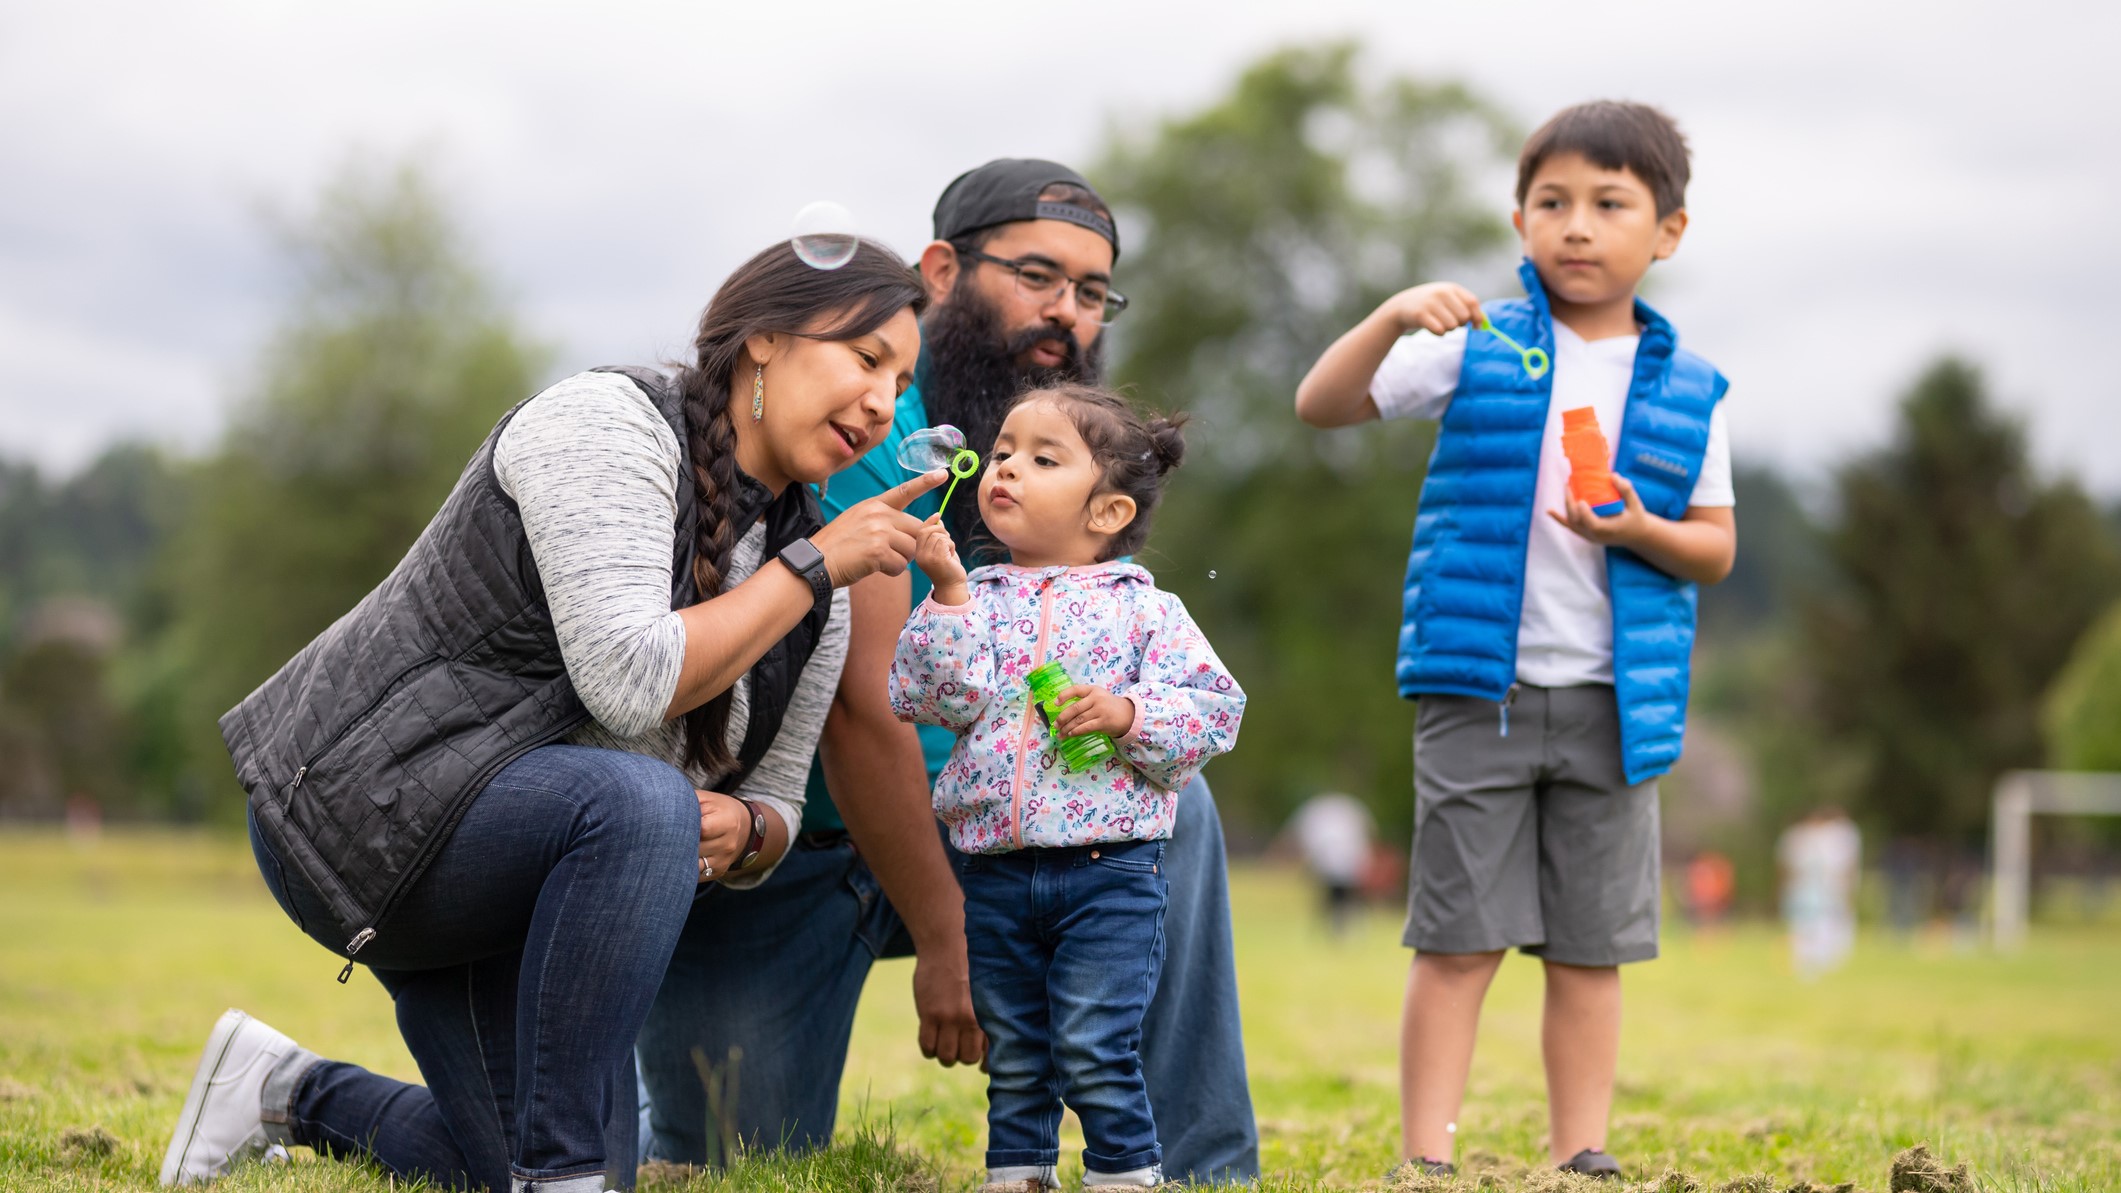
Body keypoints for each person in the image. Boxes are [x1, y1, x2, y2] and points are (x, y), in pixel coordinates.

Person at [160, 240, 946, 1191]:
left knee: (535, 1162)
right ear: (765, 341)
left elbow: (776, 798)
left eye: (900, 379)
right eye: (865, 359)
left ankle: (284, 1087)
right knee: (641, 806)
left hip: (521, 876)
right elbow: (628, 679)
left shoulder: (819, 585)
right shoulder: (608, 426)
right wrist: (812, 567)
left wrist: (747, 830)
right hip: (356, 812)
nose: (882, 400)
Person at [638, 159, 1261, 1185]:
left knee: (1169, 805)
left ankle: (1197, 1170)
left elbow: (1166, 686)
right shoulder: (861, 422)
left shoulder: (1066, 459)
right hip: (802, 849)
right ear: (943, 271)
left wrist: (1132, 714)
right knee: (722, 1147)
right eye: (1037, 273)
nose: (1067, 312)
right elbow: (864, 713)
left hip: (1034, 834)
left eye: (1093, 290)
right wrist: (947, 934)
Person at [1294, 101, 1738, 1181]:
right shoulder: (1479, 345)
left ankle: (1582, 1148)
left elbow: (1715, 549)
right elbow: (1323, 403)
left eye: (1608, 204)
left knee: (1592, 948)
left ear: (1667, 232)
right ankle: (1425, 1154)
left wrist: (1638, 527)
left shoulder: (1689, 389)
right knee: (1456, 938)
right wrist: (1395, 316)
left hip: (1614, 703)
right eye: (1552, 203)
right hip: (1474, 688)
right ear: (1518, 219)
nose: (1576, 226)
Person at [893, 384, 1245, 1190]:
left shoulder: (1147, 611)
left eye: (1043, 458)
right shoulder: (972, 597)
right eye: (1005, 450)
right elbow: (925, 698)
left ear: (1108, 512)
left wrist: (1126, 715)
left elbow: (1214, 713)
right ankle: (1018, 1173)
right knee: (1014, 1044)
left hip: (1110, 871)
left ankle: (1123, 1175)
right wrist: (945, 593)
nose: (1007, 468)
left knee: (1092, 1042)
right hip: (995, 869)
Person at [1778, 807, 1860, 978]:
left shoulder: (1830, 840)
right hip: (1806, 891)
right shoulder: (1800, 840)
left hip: (1823, 891)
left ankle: (1821, 958)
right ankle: (1806, 959)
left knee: (1823, 923)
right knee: (1805, 924)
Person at [1287, 792, 1377, 936]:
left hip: (1342, 866)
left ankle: (1341, 928)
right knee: (1337, 899)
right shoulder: (1349, 810)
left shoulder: (1321, 812)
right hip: (1336, 866)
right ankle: (1337, 929)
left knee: (1343, 899)